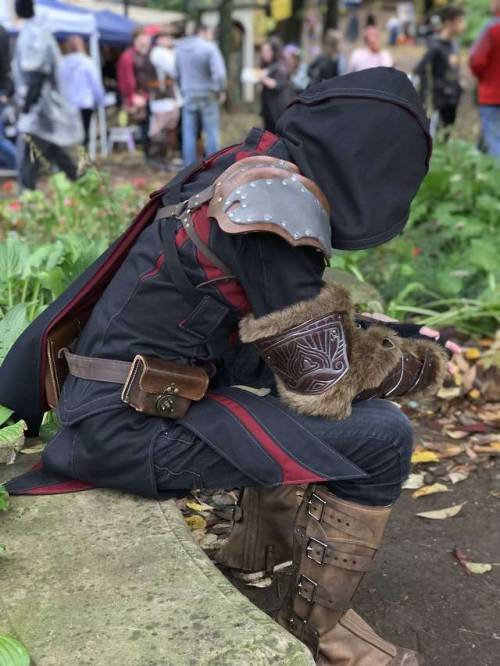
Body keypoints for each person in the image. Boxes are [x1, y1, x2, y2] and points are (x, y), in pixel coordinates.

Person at [2, 67, 458, 665]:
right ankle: (327, 630)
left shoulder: (245, 169)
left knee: (298, 398)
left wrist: (388, 335)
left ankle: (253, 552)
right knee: (383, 437)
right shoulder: (276, 204)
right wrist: (424, 364)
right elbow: (324, 378)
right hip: (126, 429)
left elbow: (261, 335)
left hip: (122, 404)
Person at [11, 0, 81, 189]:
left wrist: (27, 104)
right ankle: (81, 182)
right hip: (43, 108)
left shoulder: (32, 33)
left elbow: (36, 71)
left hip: (39, 109)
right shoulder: (36, 30)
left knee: (28, 153)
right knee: (52, 149)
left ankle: (27, 195)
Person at [175, 24, 226, 167]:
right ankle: (214, 165)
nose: (212, 36)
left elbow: (176, 73)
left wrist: (184, 89)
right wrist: (220, 90)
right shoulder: (209, 47)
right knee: (211, 131)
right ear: (203, 32)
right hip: (208, 94)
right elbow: (220, 74)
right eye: (211, 32)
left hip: (189, 94)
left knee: (189, 132)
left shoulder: (180, 49)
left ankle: (188, 167)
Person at [414, 6, 465, 134]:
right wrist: (433, 94)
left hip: (452, 100)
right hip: (438, 103)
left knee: (446, 136)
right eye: (459, 21)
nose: (462, 25)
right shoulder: (435, 46)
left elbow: (453, 71)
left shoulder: (454, 45)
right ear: (448, 22)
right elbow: (420, 70)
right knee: (435, 139)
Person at [117, 30, 156, 162]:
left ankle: (153, 153)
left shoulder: (150, 54)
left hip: (152, 95)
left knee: (153, 126)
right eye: (142, 38)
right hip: (139, 97)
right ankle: (148, 155)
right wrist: (131, 97)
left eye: (147, 38)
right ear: (136, 40)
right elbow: (126, 80)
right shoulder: (128, 57)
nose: (145, 41)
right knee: (145, 125)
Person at [60, 36, 105, 150]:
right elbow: (96, 84)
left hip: (68, 104)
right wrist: (100, 101)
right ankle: (82, 159)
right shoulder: (88, 62)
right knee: (84, 135)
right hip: (85, 104)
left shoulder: (63, 62)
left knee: (68, 135)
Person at [469, 0, 500, 157]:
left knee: (495, 142)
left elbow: (476, 60)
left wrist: (484, 79)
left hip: (492, 94)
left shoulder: (492, 28)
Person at [148, 31, 182, 168]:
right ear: (159, 39)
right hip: (162, 98)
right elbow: (175, 69)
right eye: (166, 37)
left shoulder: (164, 52)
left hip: (168, 97)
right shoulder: (159, 53)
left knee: (168, 129)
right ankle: (157, 159)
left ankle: (164, 159)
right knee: (159, 129)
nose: (170, 39)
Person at [258, 38, 293, 133]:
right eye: (263, 51)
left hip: (278, 109)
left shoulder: (280, 66)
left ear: (274, 51)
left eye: (267, 51)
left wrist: (260, 77)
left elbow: (274, 84)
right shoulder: (268, 65)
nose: (264, 53)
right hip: (268, 109)